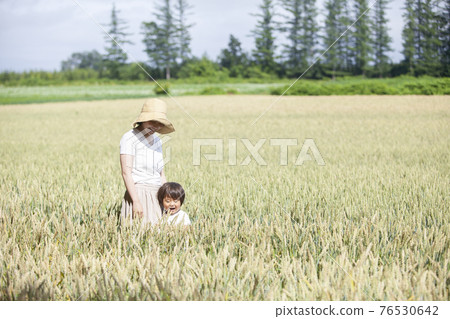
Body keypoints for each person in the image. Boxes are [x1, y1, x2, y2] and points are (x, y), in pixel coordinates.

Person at [119, 98, 175, 225]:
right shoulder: (129, 138)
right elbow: (126, 173)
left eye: (159, 123)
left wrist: (167, 198)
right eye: (152, 121)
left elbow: (161, 174)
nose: (155, 126)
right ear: (143, 119)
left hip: (157, 195)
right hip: (139, 193)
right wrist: (136, 201)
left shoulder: (157, 141)